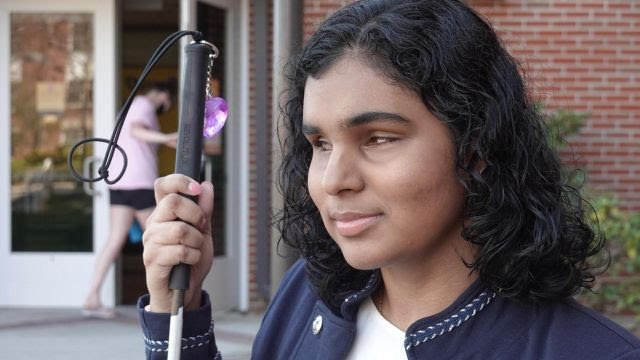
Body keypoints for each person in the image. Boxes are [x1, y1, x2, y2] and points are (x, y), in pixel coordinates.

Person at [137, 0, 640, 358]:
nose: (334, 181)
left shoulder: (588, 351)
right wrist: (177, 313)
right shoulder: (309, 296)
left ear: (477, 146)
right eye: (320, 144)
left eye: (378, 138)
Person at [82, 81, 178, 318]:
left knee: (115, 239)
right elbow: (136, 130)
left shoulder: (132, 105)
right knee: (159, 241)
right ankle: (169, 301)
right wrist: (164, 137)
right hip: (139, 181)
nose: (166, 106)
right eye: (168, 102)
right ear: (164, 96)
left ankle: (92, 296)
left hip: (119, 181)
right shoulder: (144, 104)